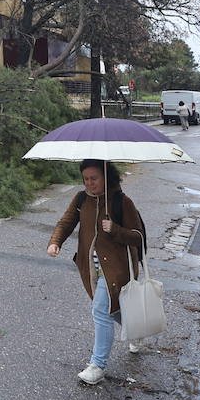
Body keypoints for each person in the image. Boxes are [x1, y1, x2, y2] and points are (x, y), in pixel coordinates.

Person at [46, 160, 147, 385]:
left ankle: (97, 365)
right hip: (91, 268)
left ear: (106, 177)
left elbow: (138, 237)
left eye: (94, 178)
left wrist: (116, 230)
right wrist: (55, 242)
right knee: (111, 310)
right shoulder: (82, 199)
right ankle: (136, 330)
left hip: (118, 268)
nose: (89, 183)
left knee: (100, 311)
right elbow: (66, 222)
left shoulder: (122, 202)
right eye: (86, 179)